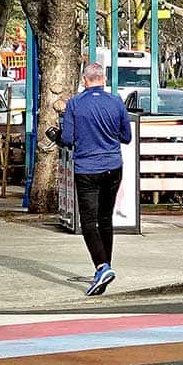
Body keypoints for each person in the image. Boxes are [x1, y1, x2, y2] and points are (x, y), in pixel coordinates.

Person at [59, 62, 133, 296]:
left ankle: (102, 267)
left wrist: (59, 136)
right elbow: (126, 137)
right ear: (103, 79)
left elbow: (68, 139)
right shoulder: (116, 102)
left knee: (89, 221)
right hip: (113, 166)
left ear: (84, 80)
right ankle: (106, 266)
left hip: (87, 168)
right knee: (105, 218)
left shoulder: (75, 104)